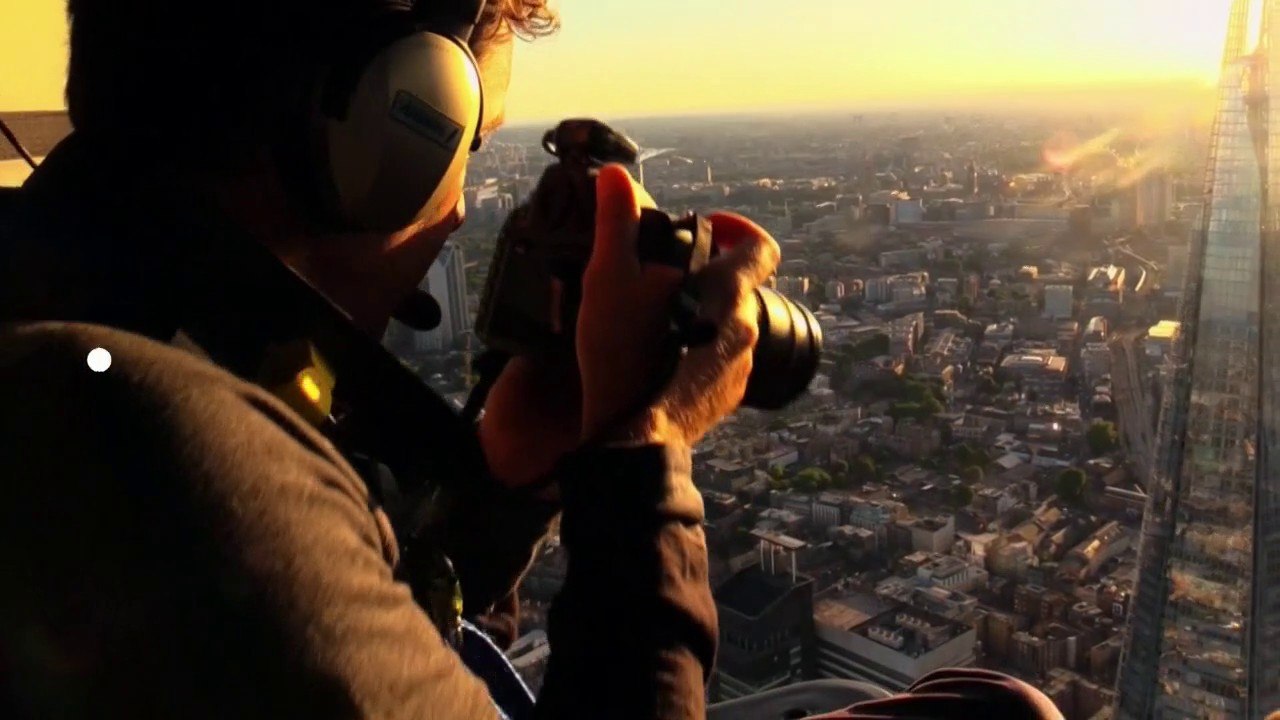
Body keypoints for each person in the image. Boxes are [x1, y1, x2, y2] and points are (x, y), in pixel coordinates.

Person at [0, 1, 1064, 718]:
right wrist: (647, 451)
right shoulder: (146, 444)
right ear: (382, 122)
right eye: (466, 145)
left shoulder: (100, 317)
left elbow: (420, 662)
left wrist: (507, 480)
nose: (462, 208)